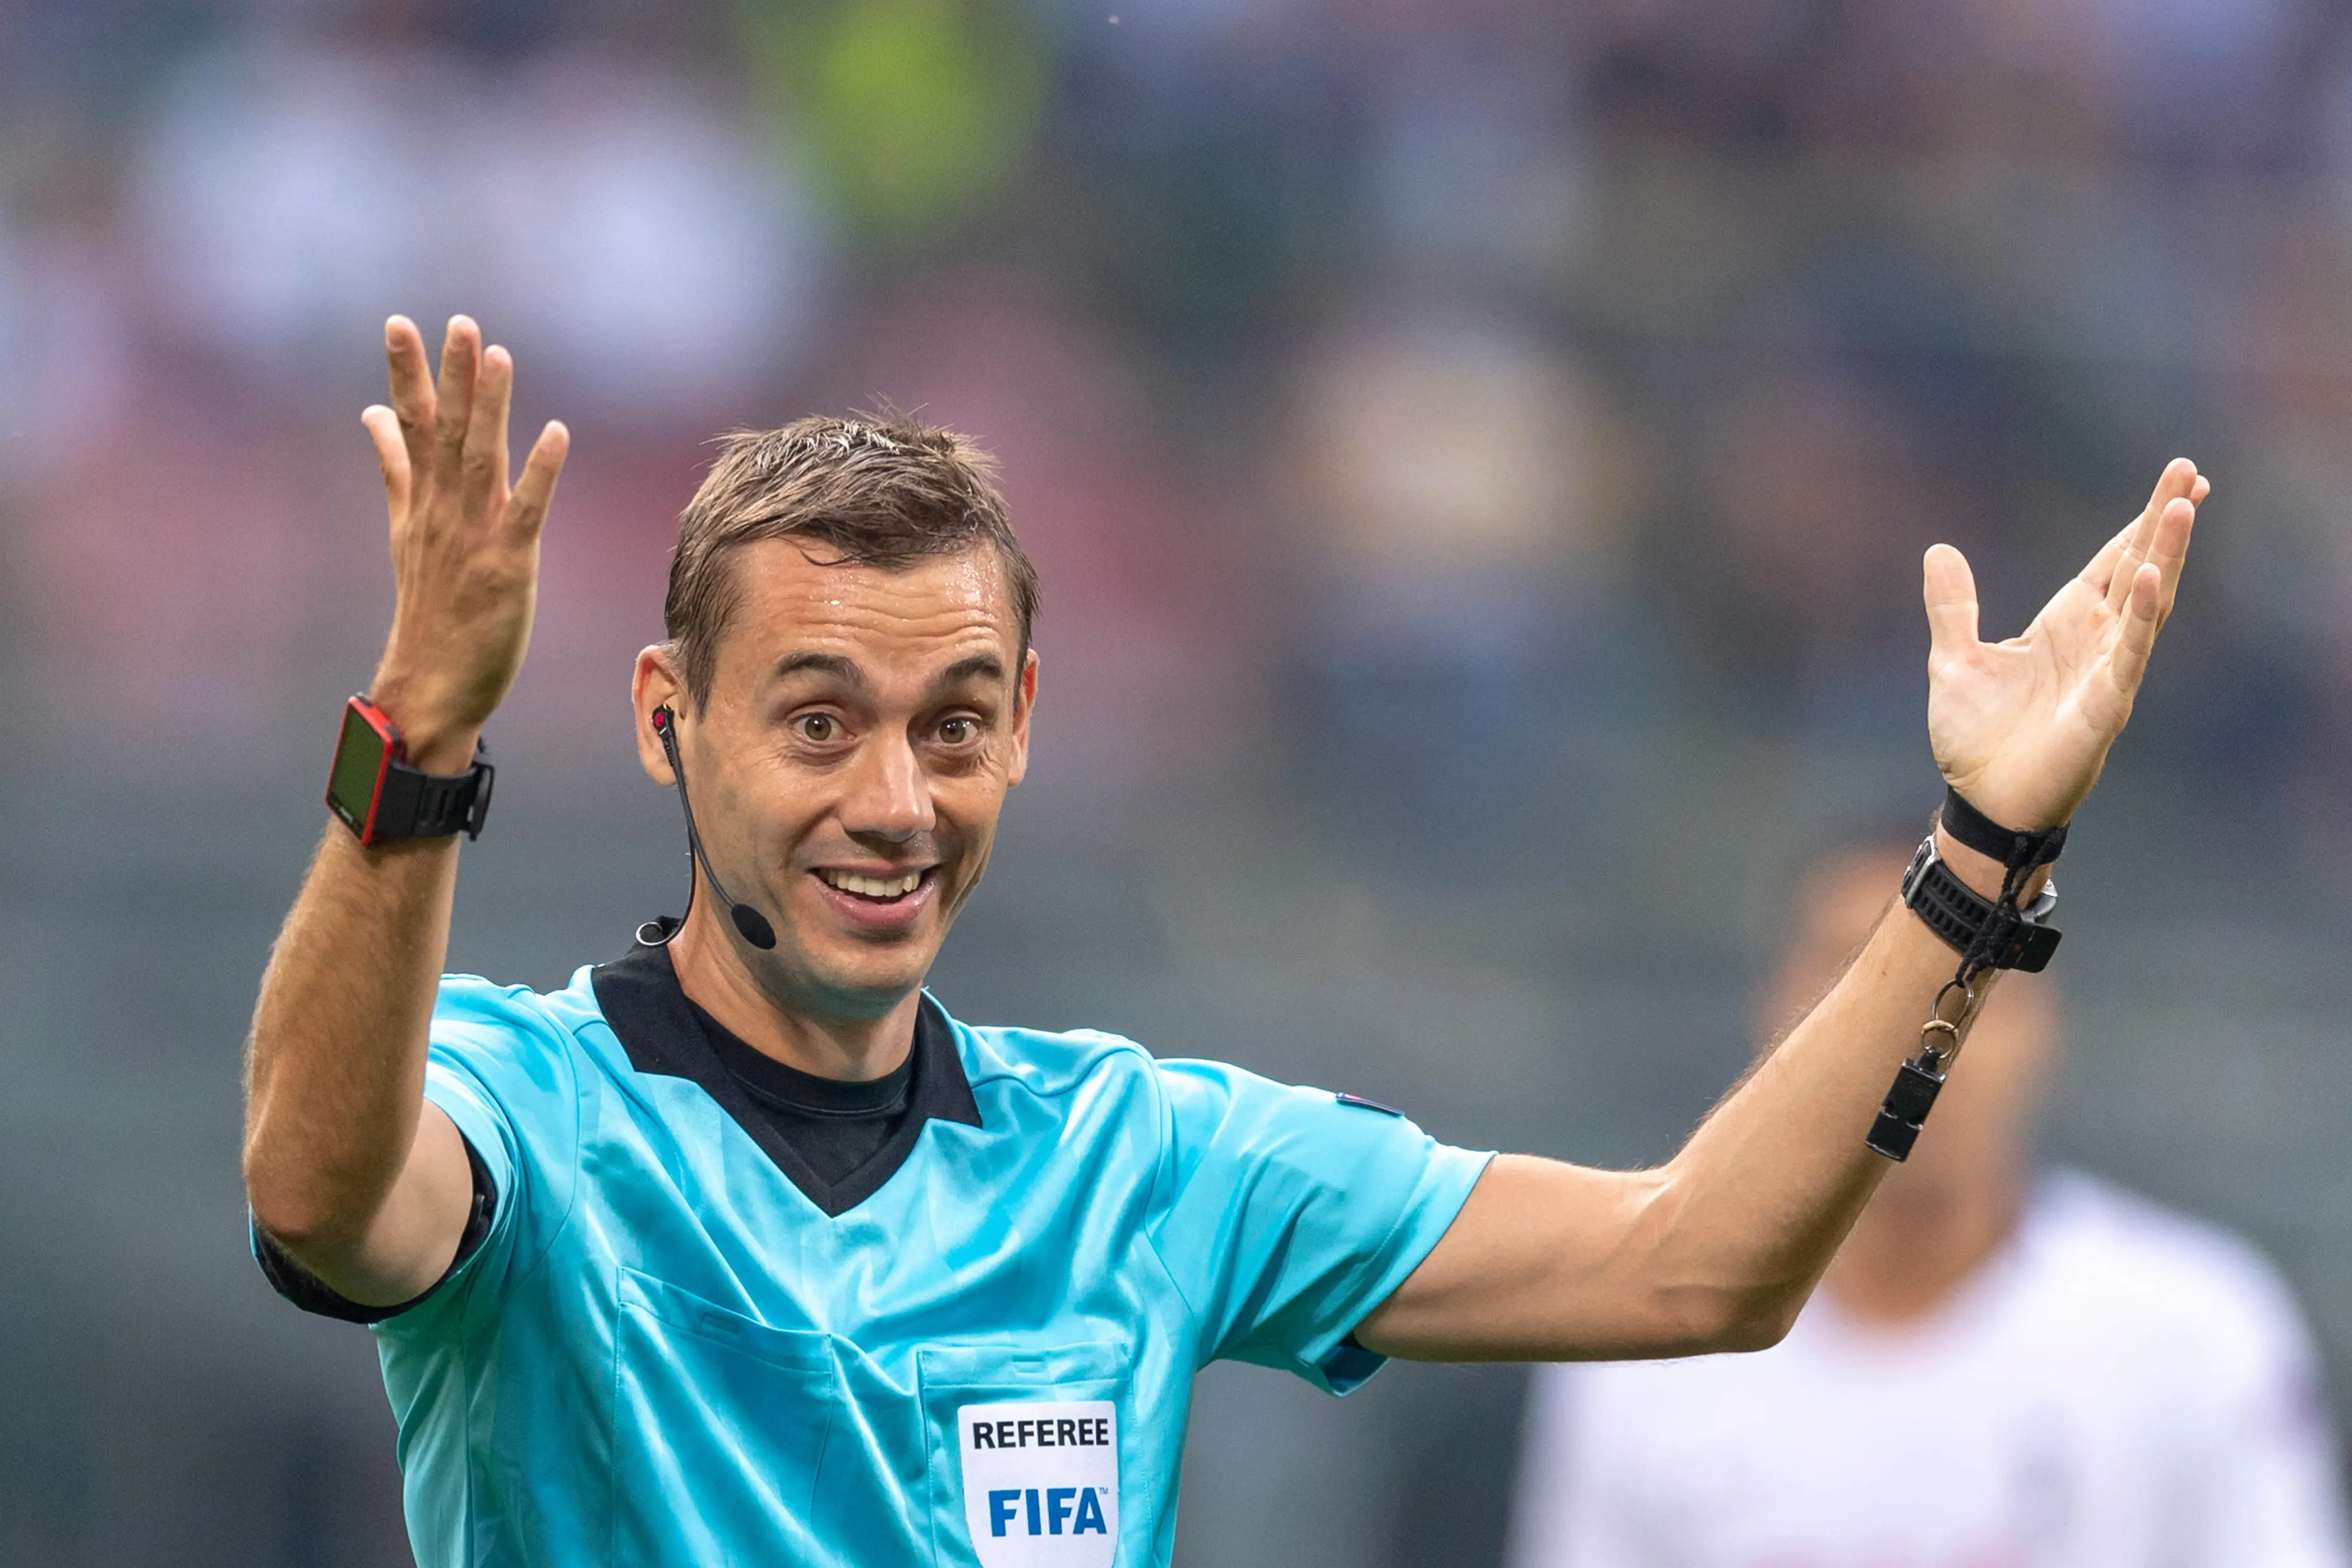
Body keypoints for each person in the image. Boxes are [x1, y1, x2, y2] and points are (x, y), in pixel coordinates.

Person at [241, 315, 2207, 1567]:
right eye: (817, 720)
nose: (896, 803)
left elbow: (1689, 1267)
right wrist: (415, 737)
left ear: (1025, 723)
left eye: (955, 726)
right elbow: (323, 1189)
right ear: (673, 721)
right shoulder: (533, 1108)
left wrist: (1984, 847)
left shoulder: (1146, 1163)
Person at [1507, 845, 2352, 1568]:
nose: (1919, 1029)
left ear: (2049, 1023)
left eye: (1976, 980)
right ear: (1772, 1011)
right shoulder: (1638, 1340)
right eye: (1858, 975)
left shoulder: (2195, 1331)